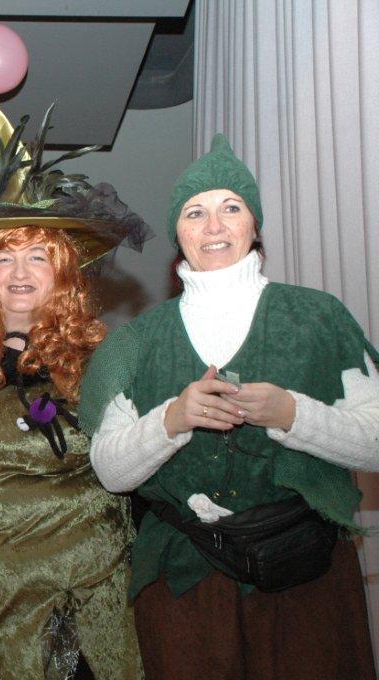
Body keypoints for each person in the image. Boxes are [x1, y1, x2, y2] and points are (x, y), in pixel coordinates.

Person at [79, 134, 379, 679]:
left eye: (231, 208)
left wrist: (293, 415)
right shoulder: (135, 342)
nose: (214, 226)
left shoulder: (319, 317)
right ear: (178, 232)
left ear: (254, 224)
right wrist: (173, 420)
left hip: (305, 577)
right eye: (195, 213)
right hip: (185, 585)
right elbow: (110, 471)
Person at [0, 223, 143, 680]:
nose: (19, 272)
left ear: (62, 274)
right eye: (3, 259)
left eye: (38, 257)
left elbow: (130, 461)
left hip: (76, 607)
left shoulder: (100, 359)